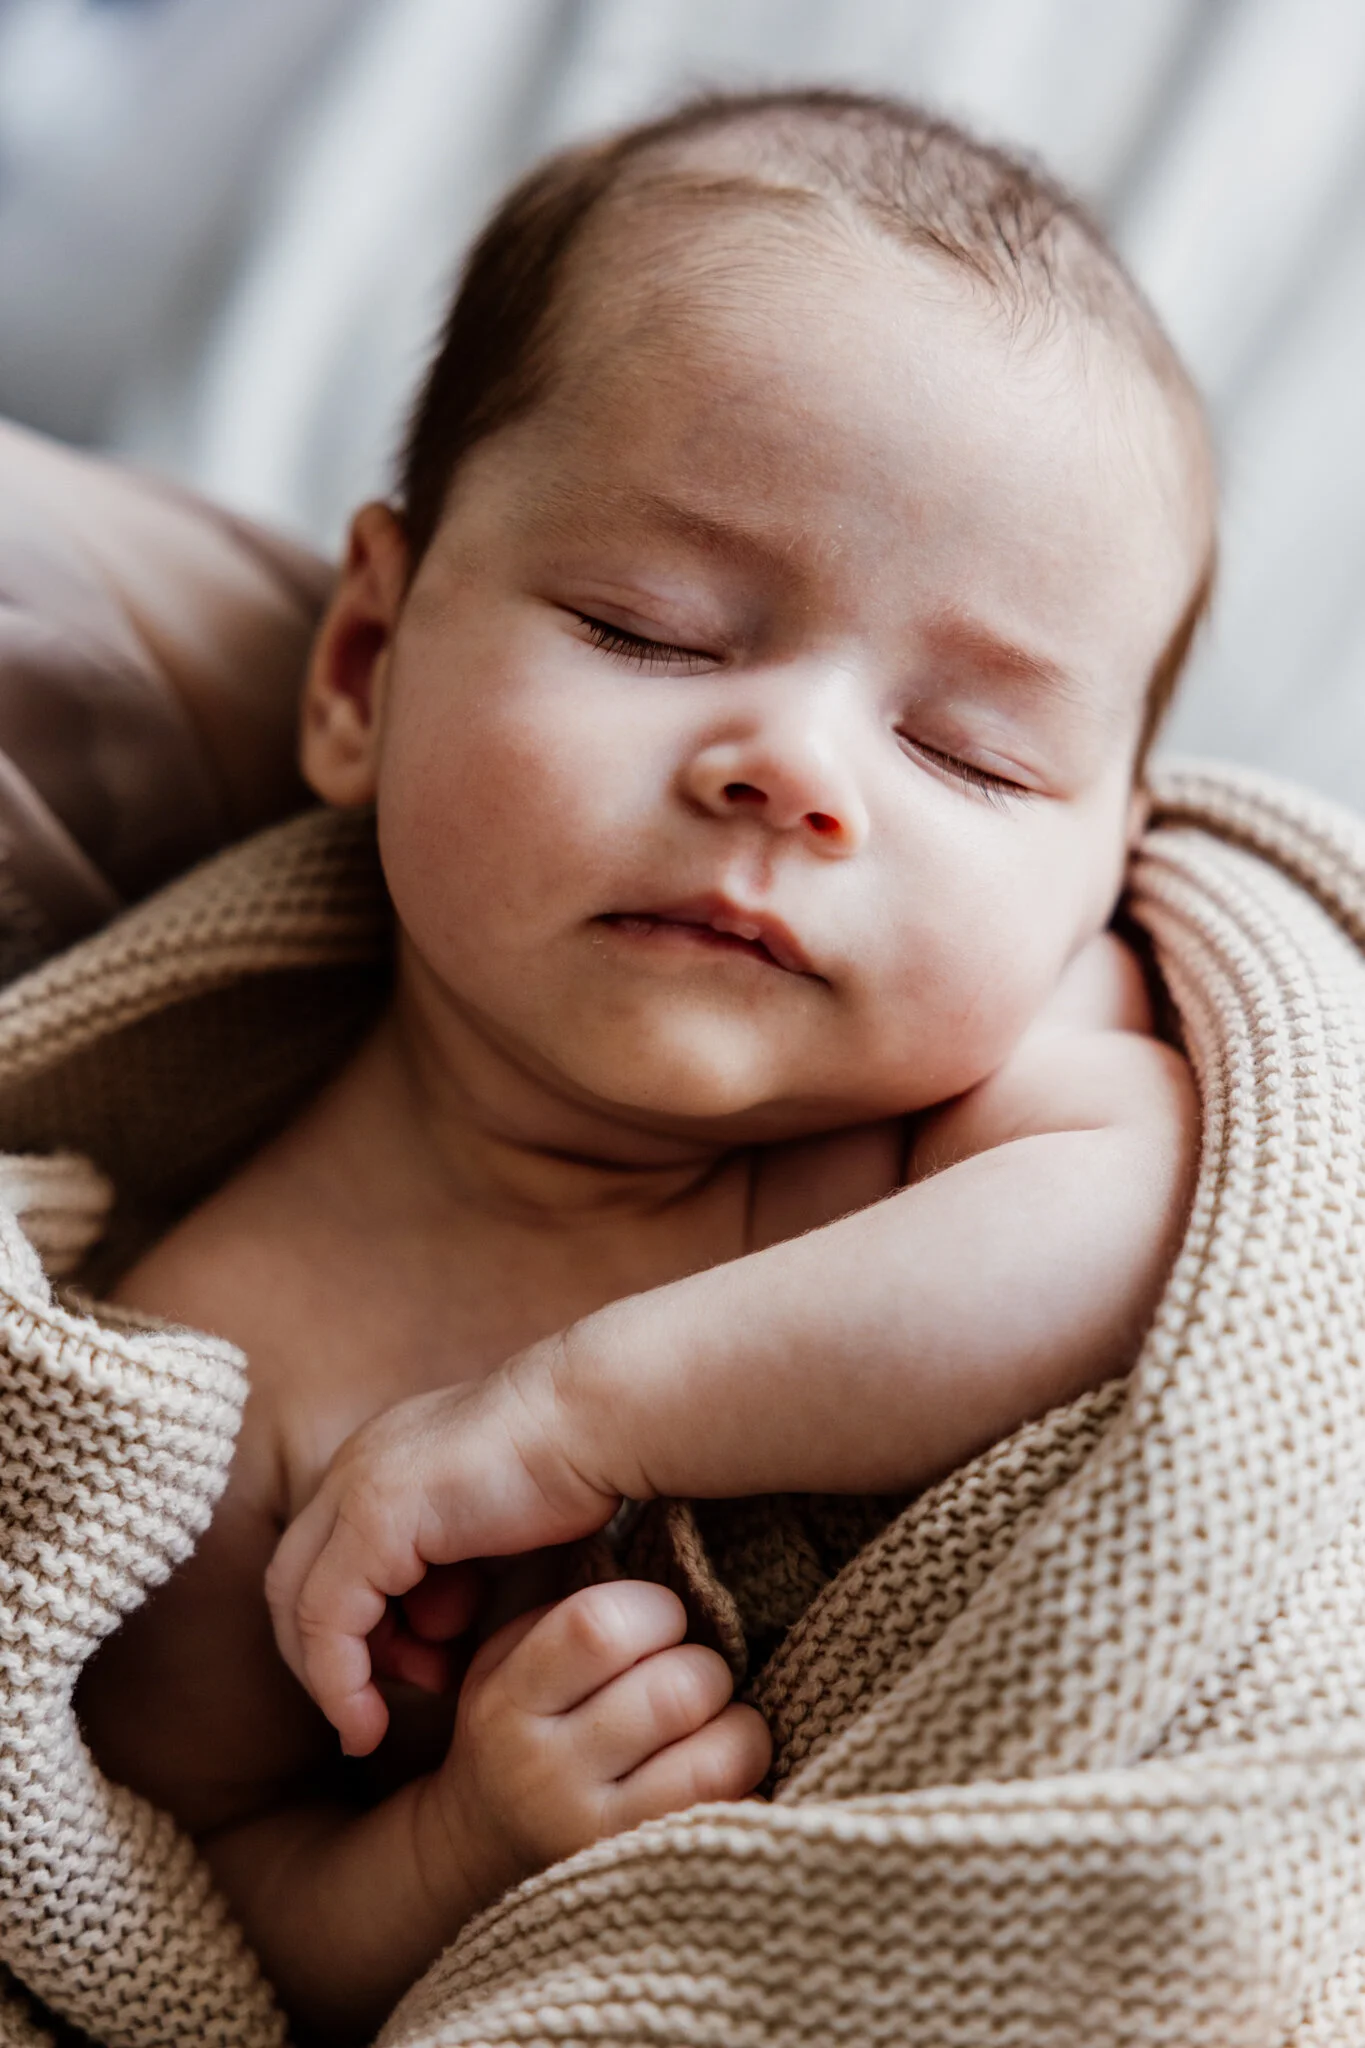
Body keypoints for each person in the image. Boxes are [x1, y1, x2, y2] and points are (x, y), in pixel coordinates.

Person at [75, 88, 1211, 2045]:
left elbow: (1146, 1225)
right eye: (650, 629)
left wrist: (579, 1415)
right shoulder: (216, 1383)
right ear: (361, 669)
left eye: (970, 754)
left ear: (1107, 855)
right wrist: (451, 1847)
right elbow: (203, 1912)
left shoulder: (1006, 1075)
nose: (794, 770)